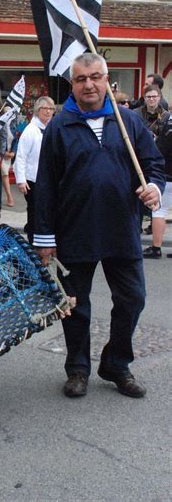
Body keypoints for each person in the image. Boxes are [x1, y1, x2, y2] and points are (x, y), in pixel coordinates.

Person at [34, 52, 165, 400]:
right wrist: (44, 238)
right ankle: (77, 368)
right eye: (81, 79)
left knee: (133, 299)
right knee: (75, 305)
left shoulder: (128, 122)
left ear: (107, 80)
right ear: (72, 84)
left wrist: (152, 187)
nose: (89, 84)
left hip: (121, 228)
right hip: (74, 230)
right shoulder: (60, 126)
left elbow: (154, 165)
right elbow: (45, 185)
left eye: (95, 77)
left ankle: (116, 364)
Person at [14, 96, 55, 244]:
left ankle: (44, 240)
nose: (49, 112)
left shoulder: (52, 128)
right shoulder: (30, 130)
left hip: (48, 179)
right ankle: (33, 240)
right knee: (35, 211)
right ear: (38, 111)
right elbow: (21, 156)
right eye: (45, 109)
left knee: (46, 211)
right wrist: (21, 180)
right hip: (33, 179)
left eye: (51, 109)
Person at [143, 111, 172, 259]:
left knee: (159, 211)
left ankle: (156, 247)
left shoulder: (169, 122)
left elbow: (161, 149)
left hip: (167, 174)